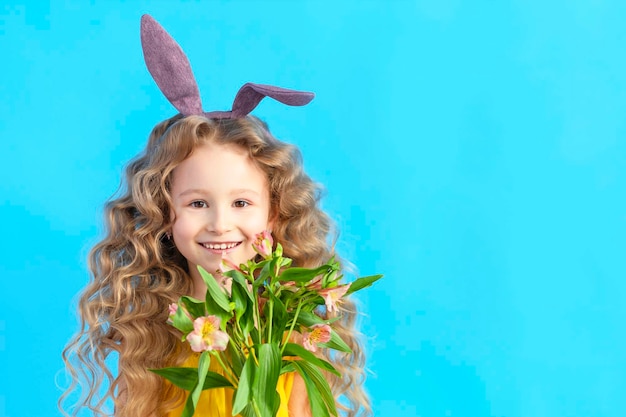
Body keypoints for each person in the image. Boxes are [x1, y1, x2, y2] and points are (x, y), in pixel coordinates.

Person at [61, 15, 370, 417]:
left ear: (275, 213)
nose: (220, 223)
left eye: (241, 203)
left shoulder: (289, 341)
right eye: (197, 203)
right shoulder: (149, 340)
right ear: (163, 213)